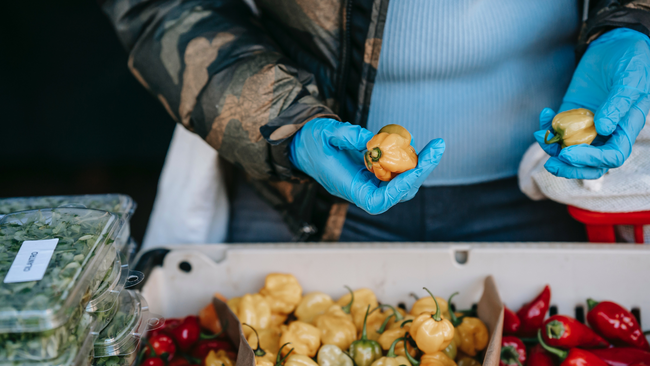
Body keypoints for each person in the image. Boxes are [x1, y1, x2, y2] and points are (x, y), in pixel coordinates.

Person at [101, 0, 650, 243]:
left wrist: (634, 22)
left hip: (548, 190)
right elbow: (161, 5)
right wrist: (282, 122)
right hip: (302, 198)